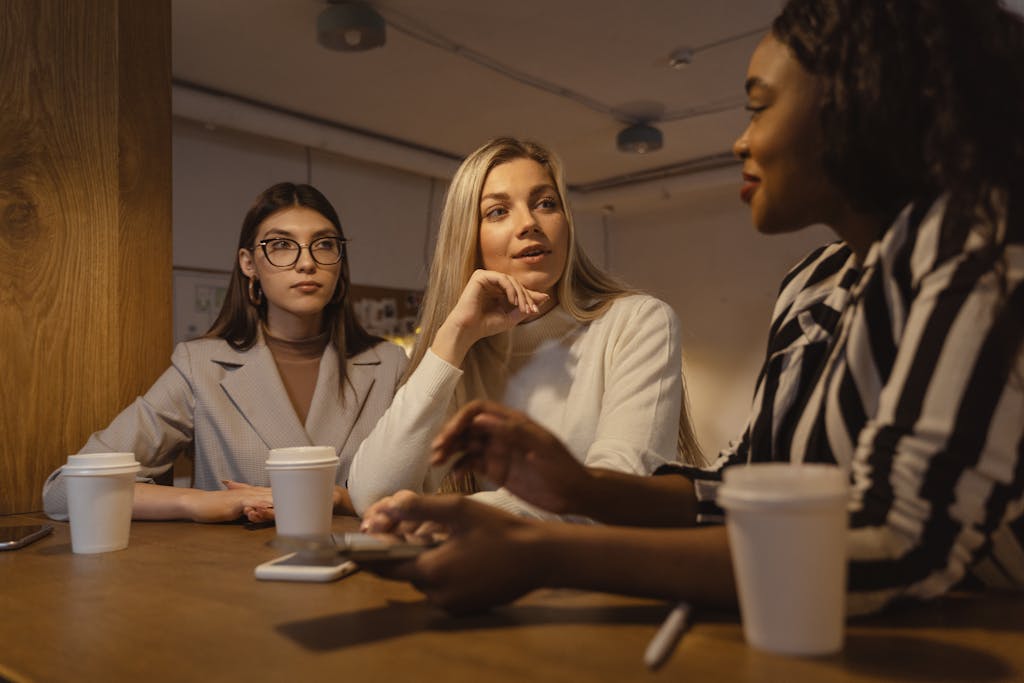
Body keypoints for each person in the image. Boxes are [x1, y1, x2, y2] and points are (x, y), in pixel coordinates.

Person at [362, 0, 1024, 616]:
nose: (740, 141)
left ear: (854, 107)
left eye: (759, 108)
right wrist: (576, 489)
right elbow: (743, 486)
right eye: (498, 210)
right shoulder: (813, 284)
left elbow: (895, 539)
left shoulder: (983, 254)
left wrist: (545, 548)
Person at [347, 137, 701, 518]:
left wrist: (457, 516)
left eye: (546, 203)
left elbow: (617, 490)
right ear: (468, 238)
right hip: (498, 574)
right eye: (498, 212)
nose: (529, 223)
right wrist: (452, 338)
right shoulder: (464, 354)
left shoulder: (638, 322)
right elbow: (373, 495)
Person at [43, 182, 408, 523]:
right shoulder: (200, 366)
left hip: (360, 577)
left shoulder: (389, 365)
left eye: (324, 244)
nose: (306, 261)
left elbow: (427, 498)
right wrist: (200, 502)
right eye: (280, 245)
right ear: (249, 263)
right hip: (233, 583)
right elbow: (63, 491)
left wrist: (344, 499)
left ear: (340, 261)